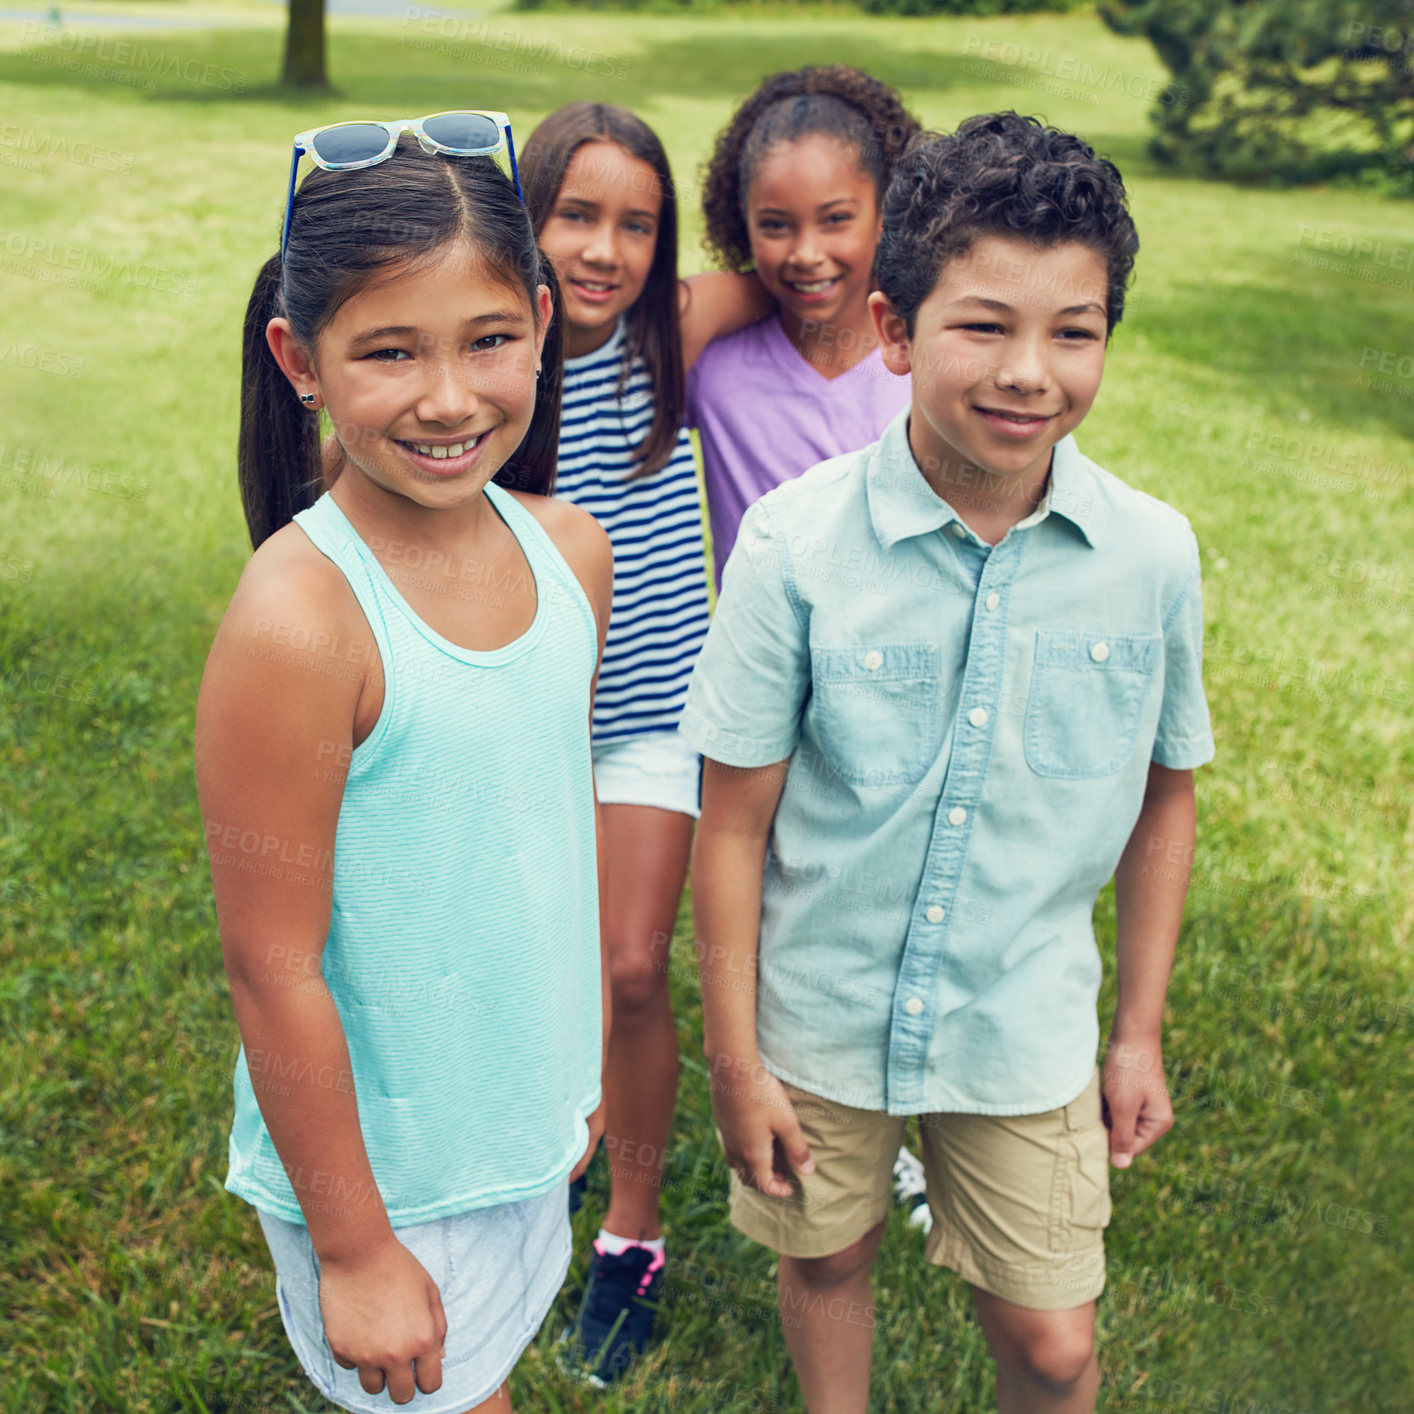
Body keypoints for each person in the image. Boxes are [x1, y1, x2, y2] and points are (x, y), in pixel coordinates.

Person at [681, 112, 1215, 1414]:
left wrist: (1134, 1032)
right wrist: (740, 1061)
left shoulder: (1149, 556)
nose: (1030, 371)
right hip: (820, 1007)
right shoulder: (791, 550)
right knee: (830, 1257)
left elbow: (1164, 797)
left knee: (1052, 1344)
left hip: (1019, 1022)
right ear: (895, 332)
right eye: (983, 324)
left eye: (1072, 330)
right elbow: (734, 824)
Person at [195, 127, 612, 1414]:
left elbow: (543, 832)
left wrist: (574, 1072)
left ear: (541, 323)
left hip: (518, 1125)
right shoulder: (302, 621)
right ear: (298, 361)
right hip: (389, 1172)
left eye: (487, 339)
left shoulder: (569, 554)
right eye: (389, 350)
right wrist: (357, 1247)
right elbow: (271, 965)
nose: (447, 397)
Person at [518, 102, 770, 1387]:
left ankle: (631, 1237)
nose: (604, 248)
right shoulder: (493, 350)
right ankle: (542, 1155)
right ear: (522, 217)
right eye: (575, 214)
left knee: (627, 969)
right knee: (532, 965)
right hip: (522, 717)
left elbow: (797, 262)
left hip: (660, 716)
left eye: (636, 223)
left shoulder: (674, 328)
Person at [688, 65, 921, 589]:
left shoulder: (925, 365)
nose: (806, 254)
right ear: (740, 220)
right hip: (759, 665)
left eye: (836, 218)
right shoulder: (716, 364)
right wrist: (737, 291)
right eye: (775, 225)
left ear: (886, 214)